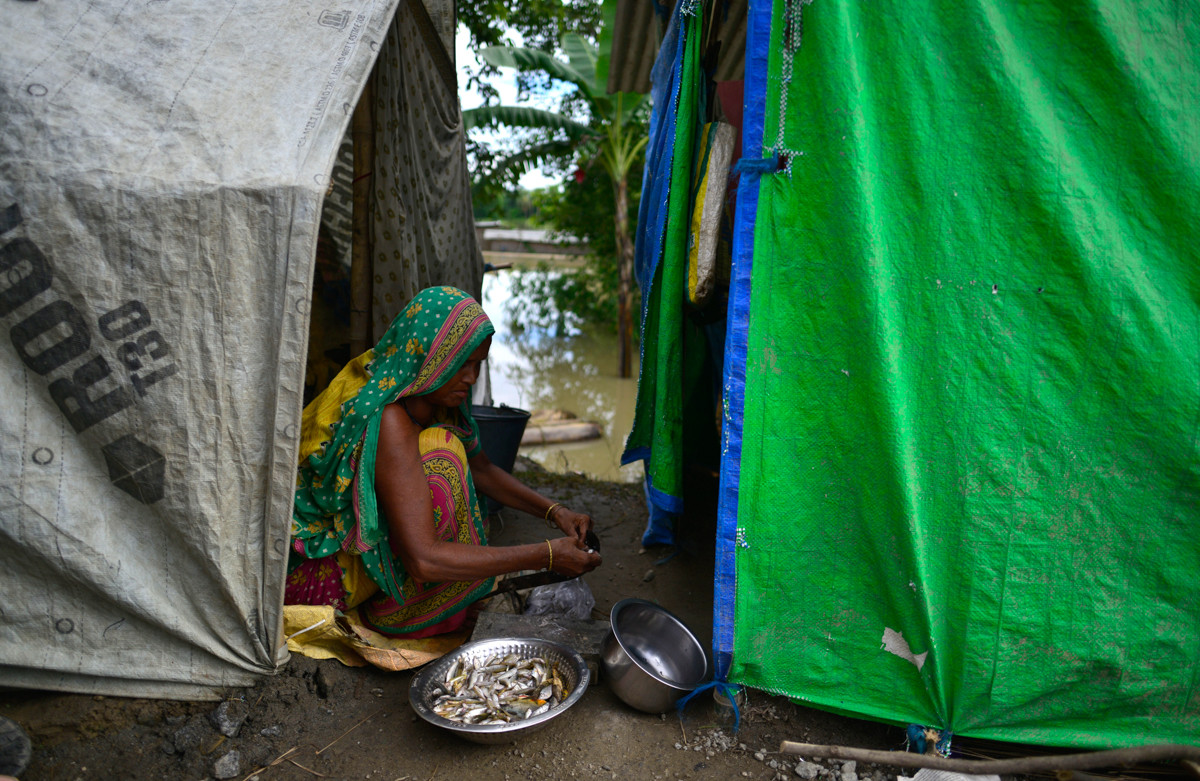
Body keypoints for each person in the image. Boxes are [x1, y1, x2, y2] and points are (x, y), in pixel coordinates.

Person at [286, 286, 602, 638]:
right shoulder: (388, 416)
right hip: (315, 573)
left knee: (447, 451)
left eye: (478, 365)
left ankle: (443, 591)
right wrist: (546, 555)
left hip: (359, 558)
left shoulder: (435, 396)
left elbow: (482, 469)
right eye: (461, 364)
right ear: (428, 355)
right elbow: (423, 560)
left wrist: (557, 513)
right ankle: (405, 611)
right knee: (442, 454)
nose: (471, 378)